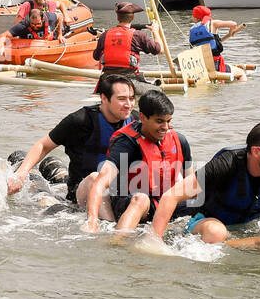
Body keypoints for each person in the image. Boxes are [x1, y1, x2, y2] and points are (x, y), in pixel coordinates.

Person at [6, 74, 138, 216]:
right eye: (122, 99)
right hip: (81, 192)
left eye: (131, 98)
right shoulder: (81, 120)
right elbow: (43, 145)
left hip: (117, 191)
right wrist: (21, 173)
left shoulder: (136, 121)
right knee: (95, 178)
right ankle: (108, 227)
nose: (128, 104)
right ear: (104, 98)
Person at [82, 90, 192, 233]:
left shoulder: (179, 140)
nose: (165, 127)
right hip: (130, 201)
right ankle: (117, 243)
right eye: (159, 121)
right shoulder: (126, 143)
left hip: (163, 202)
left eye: (168, 121)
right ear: (143, 117)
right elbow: (101, 182)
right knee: (141, 199)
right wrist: (92, 221)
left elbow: (191, 184)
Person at [94, 2, 161, 85]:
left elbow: (96, 57)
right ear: (132, 18)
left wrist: (101, 39)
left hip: (106, 81)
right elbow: (158, 50)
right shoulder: (138, 35)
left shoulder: (104, 35)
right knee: (156, 90)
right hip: (129, 80)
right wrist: (155, 31)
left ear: (118, 17)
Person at [188, 5, 244, 73]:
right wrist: (231, 32)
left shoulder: (191, 30)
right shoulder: (212, 23)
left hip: (199, 65)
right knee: (241, 73)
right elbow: (234, 24)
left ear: (195, 18)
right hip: (214, 65)